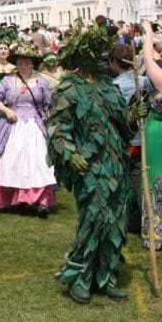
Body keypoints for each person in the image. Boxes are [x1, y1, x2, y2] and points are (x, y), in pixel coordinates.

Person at [47, 24, 140, 303]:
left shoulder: (109, 88)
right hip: (89, 166)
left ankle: (106, 277)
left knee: (115, 221)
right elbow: (57, 128)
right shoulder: (68, 89)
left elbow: (120, 124)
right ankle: (82, 278)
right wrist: (69, 153)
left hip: (116, 165)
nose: (97, 59)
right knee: (94, 219)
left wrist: (134, 115)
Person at [0, 43, 56, 216]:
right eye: (20, 62)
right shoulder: (8, 81)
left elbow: (48, 104)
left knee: (38, 161)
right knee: (12, 159)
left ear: (32, 63)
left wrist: (48, 120)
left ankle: (41, 201)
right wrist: (7, 111)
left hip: (35, 125)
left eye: (27, 62)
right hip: (13, 124)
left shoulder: (41, 81)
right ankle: (15, 198)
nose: (23, 65)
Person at [109, 42, 153, 235]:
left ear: (114, 62)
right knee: (142, 180)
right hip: (146, 139)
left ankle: (149, 222)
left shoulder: (114, 87)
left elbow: (115, 119)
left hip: (127, 142)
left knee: (134, 182)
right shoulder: (146, 82)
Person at [139, 21, 162, 249]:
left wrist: (148, 33)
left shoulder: (160, 79)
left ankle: (156, 231)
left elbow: (147, 58)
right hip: (156, 132)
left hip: (157, 133)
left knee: (155, 177)